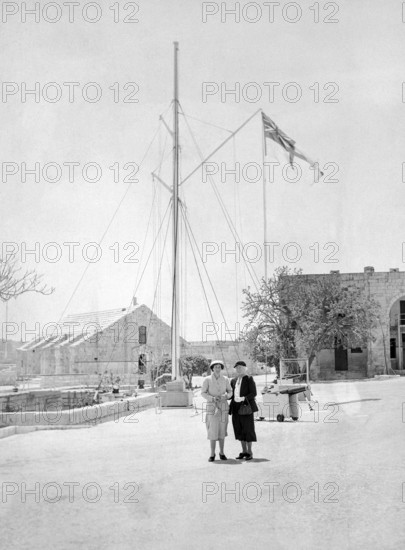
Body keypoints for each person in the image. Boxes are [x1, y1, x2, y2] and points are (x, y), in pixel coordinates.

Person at [201, 360, 233, 462]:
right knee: (212, 431)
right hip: (212, 407)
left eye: (219, 367)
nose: (217, 369)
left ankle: (222, 452)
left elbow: (230, 391)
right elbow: (203, 393)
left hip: (223, 407)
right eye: (215, 367)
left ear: (221, 368)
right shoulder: (207, 379)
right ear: (212, 368)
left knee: (222, 430)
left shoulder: (225, 379)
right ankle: (212, 453)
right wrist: (212, 398)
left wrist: (226, 396)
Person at [229, 360, 258, 460]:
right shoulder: (233, 380)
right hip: (235, 408)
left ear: (245, 368)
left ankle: (250, 452)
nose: (238, 369)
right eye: (237, 368)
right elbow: (230, 394)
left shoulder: (249, 378)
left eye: (240, 367)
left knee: (248, 429)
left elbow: (253, 393)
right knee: (239, 429)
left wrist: (243, 398)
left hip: (246, 407)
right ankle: (244, 451)